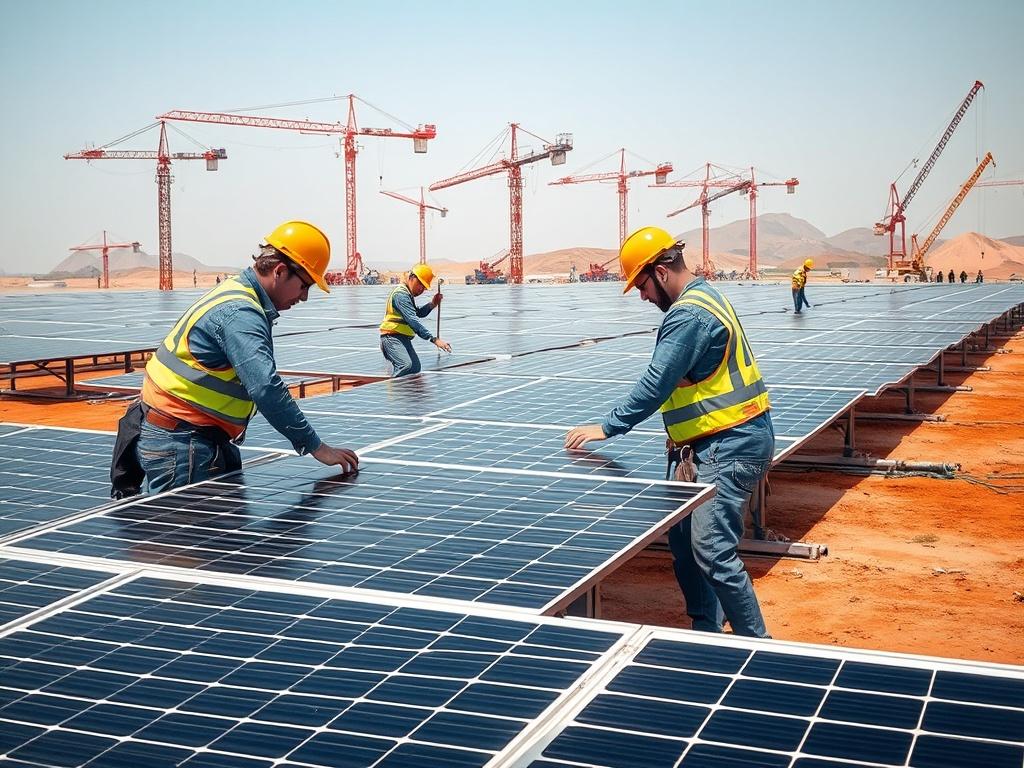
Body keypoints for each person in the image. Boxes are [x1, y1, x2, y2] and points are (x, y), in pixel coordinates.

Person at [565, 226, 774, 638]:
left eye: (641, 286)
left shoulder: (687, 315)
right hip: (708, 443)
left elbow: (655, 384)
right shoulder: (705, 296)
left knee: (712, 550)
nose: (642, 297)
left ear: (660, 272)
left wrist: (607, 427)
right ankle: (705, 629)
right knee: (682, 542)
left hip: (728, 444)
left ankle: (759, 647)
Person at [135, 220, 359, 493]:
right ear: (280, 271)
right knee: (186, 533)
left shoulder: (236, 292)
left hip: (192, 435)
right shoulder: (241, 313)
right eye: (305, 285)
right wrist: (316, 447)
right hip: (183, 441)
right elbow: (265, 387)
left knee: (218, 530)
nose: (304, 297)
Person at [380, 263, 452, 377]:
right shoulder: (401, 295)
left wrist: (433, 304)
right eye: (420, 284)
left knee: (415, 368)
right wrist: (433, 339)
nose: (421, 289)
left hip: (402, 338)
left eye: (424, 287)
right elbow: (412, 320)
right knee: (405, 365)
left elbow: (417, 313)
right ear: (412, 278)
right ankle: (394, 389)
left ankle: (402, 392)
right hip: (391, 338)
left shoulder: (407, 295)